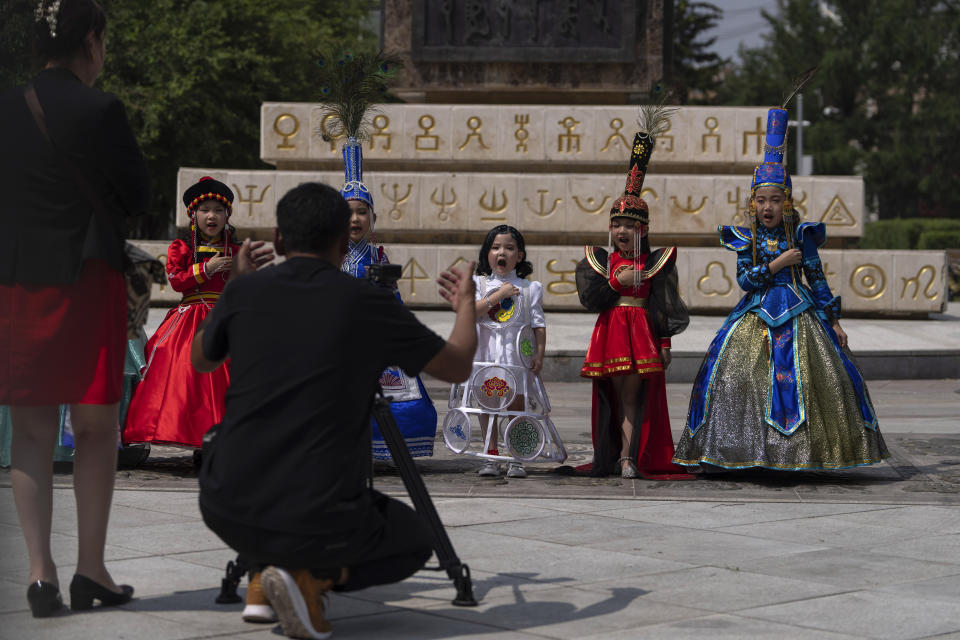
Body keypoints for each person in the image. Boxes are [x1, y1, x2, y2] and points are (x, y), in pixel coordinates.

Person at [194, 182, 477, 640]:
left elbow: (201, 359)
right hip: (315, 506)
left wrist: (233, 289)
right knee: (413, 539)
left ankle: (264, 580)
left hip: (224, 497)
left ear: (279, 239)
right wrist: (466, 306)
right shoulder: (367, 303)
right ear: (346, 242)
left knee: (275, 486)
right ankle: (311, 581)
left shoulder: (246, 292)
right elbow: (459, 365)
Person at [0, 0, 149, 616]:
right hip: (87, 279)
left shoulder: (5, 106)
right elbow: (137, 194)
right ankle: (93, 569)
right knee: (94, 430)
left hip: (16, 281)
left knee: (30, 433)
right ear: (92, 40)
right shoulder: (102, 109)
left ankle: (40, 575)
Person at [673, 107, 888, 471]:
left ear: (786, 203)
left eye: (775, 200)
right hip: (755, 312)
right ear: (752, 205)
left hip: (800, 313)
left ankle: (803, 455)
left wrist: (833, 321)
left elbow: (817, 281)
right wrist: (776, 265)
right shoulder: (746, 240)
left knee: (814, 382)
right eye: (761, 201)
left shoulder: (802, 237)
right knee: (737, 376)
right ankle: (744, 451)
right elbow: (744, 280)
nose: (767, 207)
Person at [572, 107, 692, 480]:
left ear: (643, 230)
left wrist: (666, 344)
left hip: (640, 331)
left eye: (630, 225)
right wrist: (615, 283)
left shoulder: (655, 263)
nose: (623, 230)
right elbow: (592, 299)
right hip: (611, 331)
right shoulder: (600, 260)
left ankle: (629, 456)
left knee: (632, 397)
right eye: (618, 224)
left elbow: (663, 304)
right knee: (612, 395)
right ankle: (613, 454)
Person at [337, 135, 438, 460]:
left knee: (392, 397)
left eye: (362, 212)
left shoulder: (378, 255)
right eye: (348, 212)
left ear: (373, 219)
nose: (354, 219)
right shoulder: (330, 256)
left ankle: (381, 450)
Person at [123, 177, 240, 449]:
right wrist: (207, 269)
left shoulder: (236, 250)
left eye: (218, 210)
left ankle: (222, 438)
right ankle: (186, 433)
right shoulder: (182, 247)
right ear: (193, 214)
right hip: (190, 317)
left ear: (227, 215)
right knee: (178, 365)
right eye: (205, 209)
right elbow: (176, 280)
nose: (212, 216)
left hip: (225, 316)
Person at [470, 225, 547, 478]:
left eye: (509, 248)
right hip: (486, 356)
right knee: (487, 406)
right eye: (495, 247)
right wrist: (498, 296)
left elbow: (538, 324)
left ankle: (517, 456)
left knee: (517, 407)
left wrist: (539, 354)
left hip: (516, 358)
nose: (501, 252)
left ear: (520, 255)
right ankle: (490, 454)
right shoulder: (479, 285)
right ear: (487, 254)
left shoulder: (528, 288)